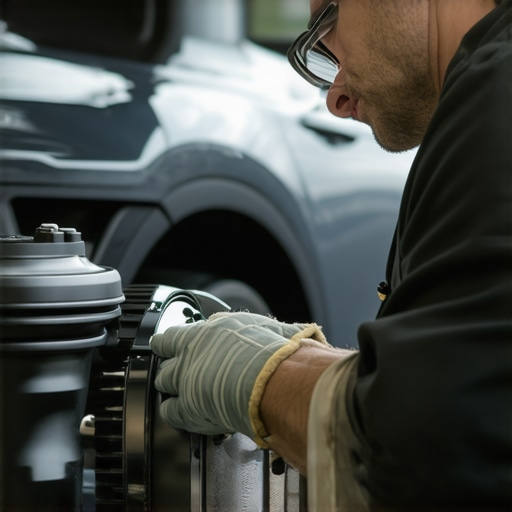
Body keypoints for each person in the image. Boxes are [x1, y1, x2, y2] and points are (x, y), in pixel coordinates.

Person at [151, 0, 512, 509]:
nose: (335, 101)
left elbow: (441, 446)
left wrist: (271, 381)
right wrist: (329, 371)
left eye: (328, 22)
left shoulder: (498, 92)